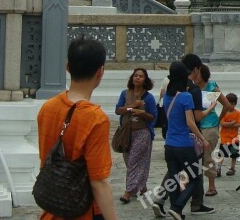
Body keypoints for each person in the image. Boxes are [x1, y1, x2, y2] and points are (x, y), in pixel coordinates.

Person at [36, 37, 117, 220]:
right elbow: (98, 182)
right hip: (84, 211)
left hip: (54, 207)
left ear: (68, 67)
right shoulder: (95, 118)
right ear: (100, 71)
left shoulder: (48, 107)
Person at [152, 54, 219, 217]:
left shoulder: (167, 96)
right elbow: (191, 122)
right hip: (184, 144)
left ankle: (176, 210)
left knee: (174, 178)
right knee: (195, 178)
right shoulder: (186, 96)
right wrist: (203, 139)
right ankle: (177, 207)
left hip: (170, 144)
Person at [115, 68, 158, 204]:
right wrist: (132, 107)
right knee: (129, 161)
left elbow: (154, 117)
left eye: (141, 76)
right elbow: (118, 110)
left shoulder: (149, 97)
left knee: (134, 161)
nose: (138, 78)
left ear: (145, 80)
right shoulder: (125, 94)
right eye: (136, 75)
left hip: (142, 133)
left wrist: (142, 113)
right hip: (126, 133)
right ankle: (141, 186)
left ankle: (128, 192)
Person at [195, 64, 233, 197]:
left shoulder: (211, 88)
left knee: (207, 157)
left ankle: (211, 185)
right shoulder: (192, 88)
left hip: (209, 126)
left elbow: (227, 104)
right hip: (195, 126)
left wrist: (218, 120)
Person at [218, 94, 240, 177]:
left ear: (235, 104)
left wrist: (228, 124)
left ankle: (232, 168)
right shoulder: (223, 113)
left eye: (232, 104)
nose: (230, 106)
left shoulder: (238, 113)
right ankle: (219, 168)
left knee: (234, 155)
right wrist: (231, 123)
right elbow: (221, 123)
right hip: (224, 138)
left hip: (234, 139)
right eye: (229, 103)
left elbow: (239, 124)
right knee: (221, 154)